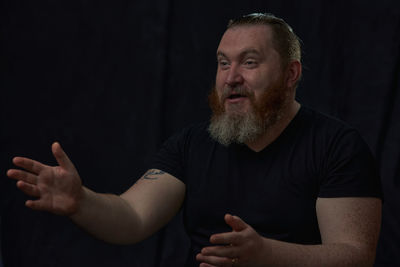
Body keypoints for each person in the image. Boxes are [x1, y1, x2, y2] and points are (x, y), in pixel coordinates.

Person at [7, 13, 382, 267]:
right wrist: (80, 201)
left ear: (290, 73)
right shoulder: (193, 144)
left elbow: (355, 255)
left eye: (249, 62)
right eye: (223, 63)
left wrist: (268, 255)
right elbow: (133, 216)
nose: (231, 76)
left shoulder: (337, 146)